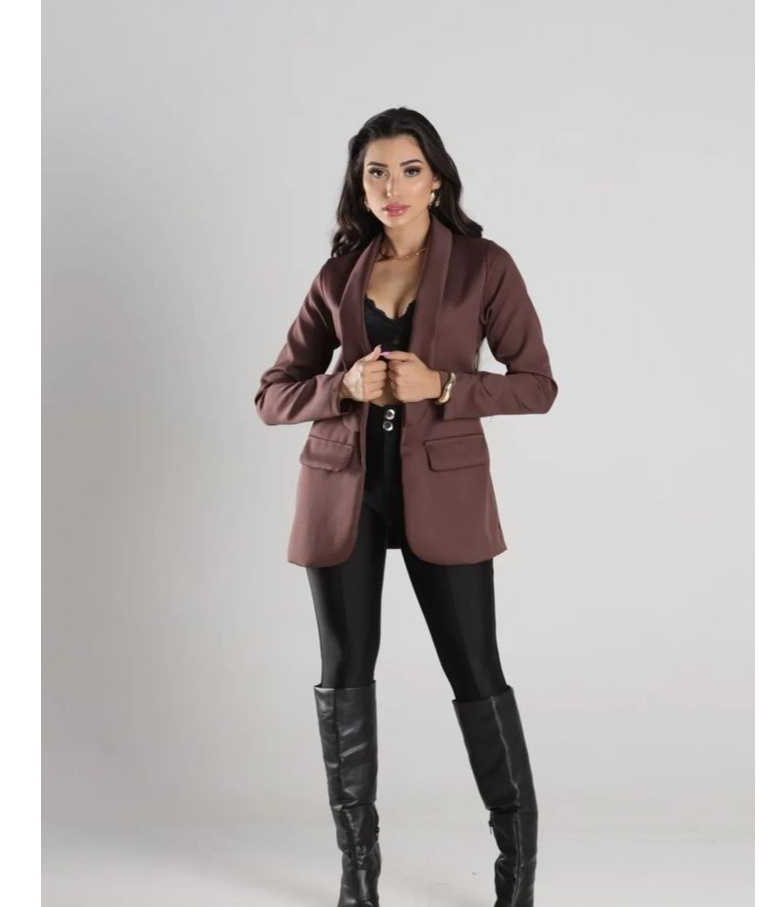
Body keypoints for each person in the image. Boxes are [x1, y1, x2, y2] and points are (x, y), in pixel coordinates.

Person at [255, 107, 558, 907]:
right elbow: (273, 393)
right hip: (342, 495)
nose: (392, 185)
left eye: (409, 169)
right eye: (375, 172)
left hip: (444, 493)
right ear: (359, 187)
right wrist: (342, 385)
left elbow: (536, 384)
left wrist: (446, 384)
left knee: (476, 672)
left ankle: (515, 878)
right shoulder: (338, 275)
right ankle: (358, 877)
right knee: (343, 675)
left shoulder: (483, 266)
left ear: (436, 180)